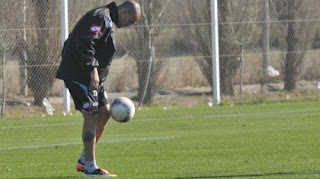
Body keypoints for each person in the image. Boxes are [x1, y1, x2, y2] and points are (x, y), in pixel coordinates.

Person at [56, 1, 141, 177]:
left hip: (91, 79)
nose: (128, 26)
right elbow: (86, 42)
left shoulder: (107, 20)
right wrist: (92, 69)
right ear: (124, 11)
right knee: (92, 116)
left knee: (104, 112)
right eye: (131, 21)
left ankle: (83, 160)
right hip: (81, 74)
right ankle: (90, 168)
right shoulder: (100, 17)